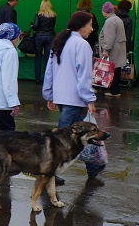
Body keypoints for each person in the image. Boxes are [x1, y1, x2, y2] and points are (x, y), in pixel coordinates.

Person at [43, 11, 102, 182]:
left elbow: (49, 72)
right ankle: (51, 173)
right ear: (81, 25)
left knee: (76, 135)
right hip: (74, 98)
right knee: (63, 138)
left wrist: (50, 94)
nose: (92, 29)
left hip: (62, 96)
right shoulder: (82, 45)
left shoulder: (60, 41)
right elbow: (85, 75)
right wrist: (90, 98)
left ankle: (93, 165)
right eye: (90, 25)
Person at [98, 2, 127, 97]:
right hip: (119, 48)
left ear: (105, 11)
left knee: (111, 69)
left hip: (113, 49)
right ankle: (115, 90)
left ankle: (113, 91)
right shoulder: (118, 19)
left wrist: (105, 50)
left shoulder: (110, 21)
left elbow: (109, 38)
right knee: (116, 69)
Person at [32, 0, 57, 84]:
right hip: (50, 36)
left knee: (38, 57)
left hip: (39, 36)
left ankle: (38, 79)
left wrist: (32, 25)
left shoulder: (38, 14)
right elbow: (53, 27)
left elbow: (35, 26)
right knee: (48, 58)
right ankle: (47, 79)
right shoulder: (53, 15)